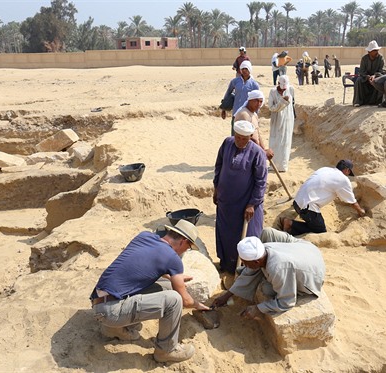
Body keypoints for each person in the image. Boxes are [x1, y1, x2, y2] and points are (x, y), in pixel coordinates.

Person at [89, 220, 210, 363]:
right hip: (111, 312)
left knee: (166, 285)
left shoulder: (144, 236)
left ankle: (113, 329)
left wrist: (173, 276)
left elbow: (141, 264)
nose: (186, 250)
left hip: (99, 300)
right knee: (174, 299)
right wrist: (197, 305)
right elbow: (185, 301)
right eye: (189, 247)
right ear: (183, 241)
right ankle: (166, 351)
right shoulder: (173, 258)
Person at [212, 228, 326, 318]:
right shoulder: (264, 248)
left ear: (256, 261)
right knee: (267, 233)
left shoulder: (278, 269)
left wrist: (258, 308)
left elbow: (287, 301)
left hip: (315, 274)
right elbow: (251, 270)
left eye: (246, 263)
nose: (245, 265)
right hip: (308, 249)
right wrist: (228, 295)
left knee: (267, 289)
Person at [213, 120, 268, 275]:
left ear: (250, 137)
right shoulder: (227, 143)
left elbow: (261, 181)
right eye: (238, 137)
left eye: (244, 138)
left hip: (246, 203)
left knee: (247, 236)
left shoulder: (257, 152)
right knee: (226, 233)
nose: (240, 141)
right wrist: (216, 188)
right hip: (226, 201)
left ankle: (246, 271)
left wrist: (252, 204)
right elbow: (218, 166)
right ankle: (226, 265)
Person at [281, 160, 365, 236]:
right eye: (348, 173)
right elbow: (352, 202)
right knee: (320, 231)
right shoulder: (343, 179)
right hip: (308, 208)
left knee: (314, 222)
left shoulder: (324, 169)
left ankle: (291, 224)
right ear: (347, 170)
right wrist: (361, 211)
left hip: (297, 202)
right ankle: (290, 224)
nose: (348, 175)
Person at [221, 60, 260, 135]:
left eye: (246, 69)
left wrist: (256, 116)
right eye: (243, 69)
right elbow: (228, 94)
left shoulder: (254, 85)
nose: (244, 71)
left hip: (248, 115)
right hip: (236, 114)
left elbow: (257, 101)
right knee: (234, 136)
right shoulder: (235, 81)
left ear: (250, 70)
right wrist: (223, 109)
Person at [234, 89, 274, 160]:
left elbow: (257, 134)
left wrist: (263, 149)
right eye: (256, 101)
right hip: (246, 151)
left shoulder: (254, 114)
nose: (258, 104)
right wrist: (262, 152)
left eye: (260, 101)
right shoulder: (244, 114)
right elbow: (248, 137)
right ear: (250, 100)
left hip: (255, 149)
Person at [268, 75, 295, 172]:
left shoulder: (291, 89)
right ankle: (274, 165)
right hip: (276, 120)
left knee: (285, 142)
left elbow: (292, 105)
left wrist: (286, 101)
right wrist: (282, 101)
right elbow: (271, 108)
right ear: (278, 83)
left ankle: (283, 166)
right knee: (275, 141)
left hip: (288, 120)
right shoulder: (272, 92)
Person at [353, 40, 386, 107]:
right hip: (366, 78)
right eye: (374, 50)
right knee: (359, 80)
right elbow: (362, 71)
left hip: (377, 77)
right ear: (369, 52)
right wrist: (367, 77)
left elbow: (383, 70)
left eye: (377, 50)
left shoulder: (380, 58)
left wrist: (375, 75)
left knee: (381, 80)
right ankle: (358, 101)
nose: (377, 52)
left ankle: (377, 101)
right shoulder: (364, 59)